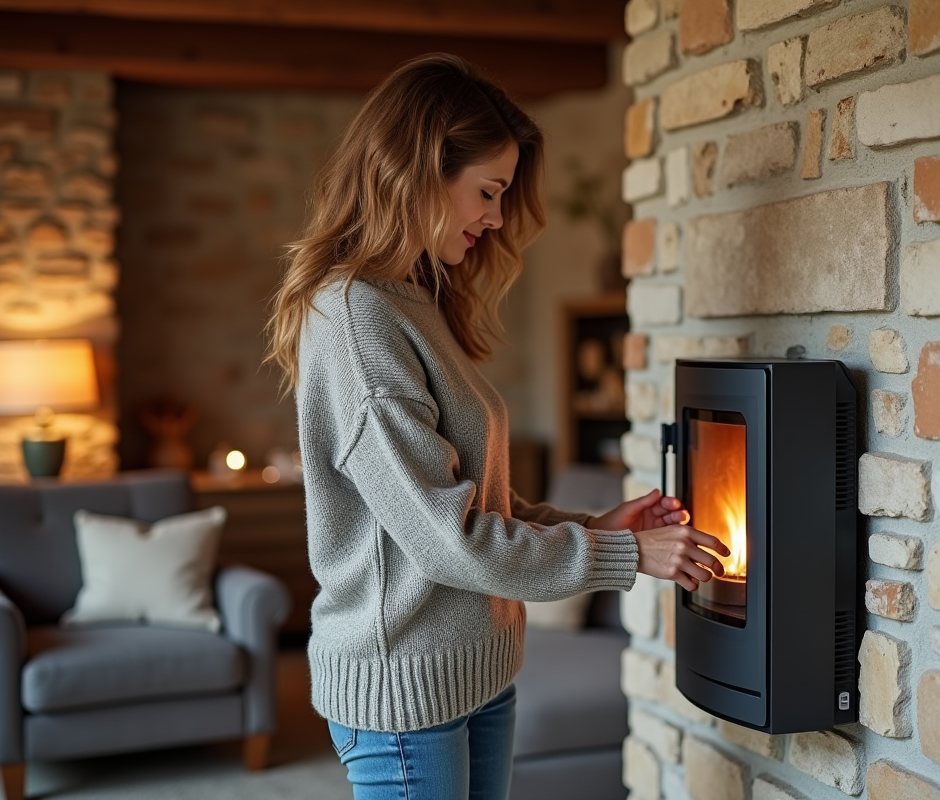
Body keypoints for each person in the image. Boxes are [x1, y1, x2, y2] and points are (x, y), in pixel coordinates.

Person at [264, 53, 729, 800]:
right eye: (487, 191)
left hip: (476, 669)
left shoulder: (414, 299)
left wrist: (601, 528)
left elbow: (471, 501)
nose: (496, 216)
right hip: (404, 696)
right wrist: (622, 559)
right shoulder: (356, 316)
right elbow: (447, 539)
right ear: (415, 171)